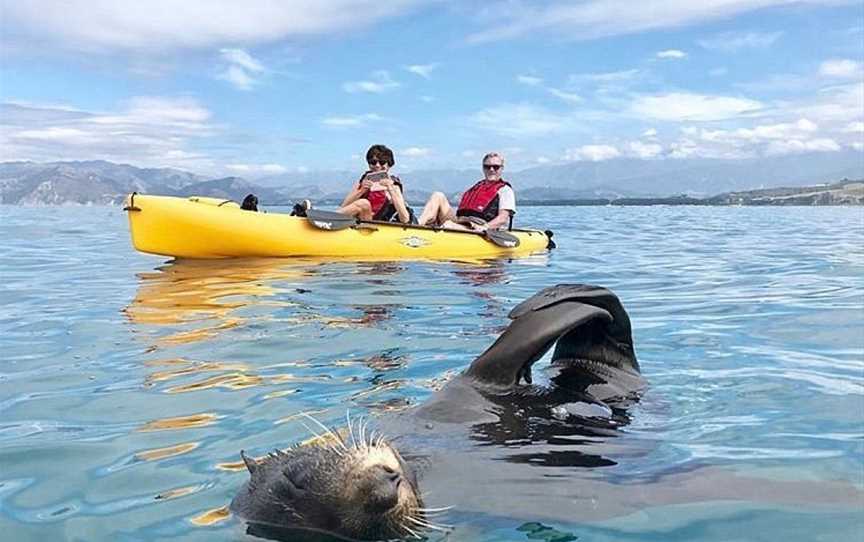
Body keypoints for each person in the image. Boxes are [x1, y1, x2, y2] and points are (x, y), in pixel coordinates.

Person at [417, 152, 515, 231]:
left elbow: (503, 218)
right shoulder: (477, 187)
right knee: (438, 195)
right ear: (483, 168)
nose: (491, 169)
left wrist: (485, 227)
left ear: (502, 168)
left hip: (480, 227)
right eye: (487, 166)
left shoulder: (505, 190)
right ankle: (417, 224)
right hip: (461, 222)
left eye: (496, 167)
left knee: (448, 225)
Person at [337, 144, 414, 223]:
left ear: (389, 165)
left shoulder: (394, 186)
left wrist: (390, 190)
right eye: (373, 162)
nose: (377, 165)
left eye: (382, 162)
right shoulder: (363, 181)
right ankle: (330, 220)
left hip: (377, 226)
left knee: (364, 203)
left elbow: (405, 219)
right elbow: (344, 206)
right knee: (363, 203)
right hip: (360, 221)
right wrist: (361, 191)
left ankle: (328, 219)